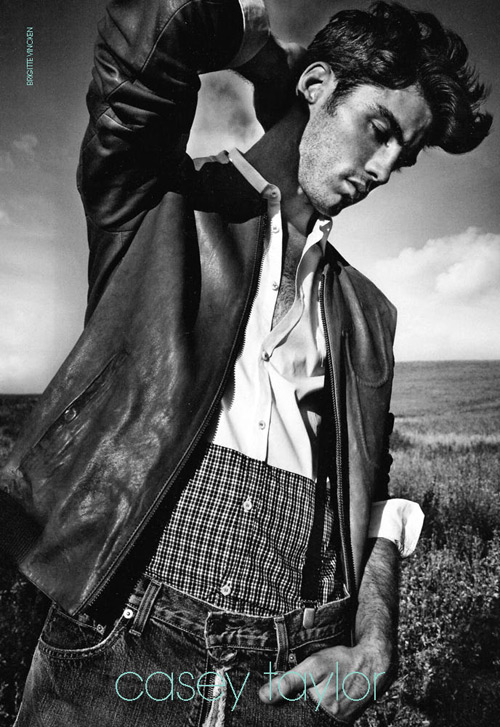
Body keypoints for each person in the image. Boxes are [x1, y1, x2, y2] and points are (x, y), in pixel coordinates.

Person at [1, 1, 491, 725]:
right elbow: (157, 21)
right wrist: (268, 58)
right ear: (317, 86)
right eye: (380, 130)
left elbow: (371, 490)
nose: (385, 169)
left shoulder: (367, 313)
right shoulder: (156, 202)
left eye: (405, 156)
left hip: (283, 675)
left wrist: (374, 640)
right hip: (117, 644)